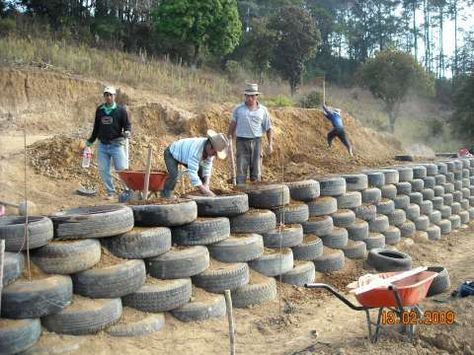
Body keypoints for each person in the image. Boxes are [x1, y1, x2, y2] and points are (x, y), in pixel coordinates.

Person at [86, 86, 131, 199]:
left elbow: (127, 124)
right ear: (104, 96)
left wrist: (127, 131)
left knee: (122, 169)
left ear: (114, 96)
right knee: (103, 169)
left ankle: (128, 191)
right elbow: (96, 127)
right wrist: (90, 141)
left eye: (111, 95)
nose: (108, 97)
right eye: (106, 95)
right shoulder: (100, 110)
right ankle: (110, 192)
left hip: (116, 145)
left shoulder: (121, 111)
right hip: (102, 146)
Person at [161, 130, 229, 198]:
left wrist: (206, 184)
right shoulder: (196, 152)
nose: (213, 155)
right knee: (174, 176)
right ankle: (165, 196)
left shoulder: (210, 151)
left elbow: (207, 166)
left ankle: (203, 194)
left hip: (185, 155)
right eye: (214, 153)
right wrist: (205, 190)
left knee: (201, 172)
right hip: (171, 153)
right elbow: (192, 173)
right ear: (209, 146)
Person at [228, 83, 273, 185]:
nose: (250, 98)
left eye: (252, 96)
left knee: (256, 169)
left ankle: (256, 190)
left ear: (256, 96)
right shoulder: (238, 109)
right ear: (245, 96)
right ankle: (240, 188)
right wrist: (228, 138)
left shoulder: (263, 110)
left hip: (257, 141)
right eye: (248, 96)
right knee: (241, 168)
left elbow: (269, 128)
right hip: (241, 141)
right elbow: (232, 124)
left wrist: (270, 144)